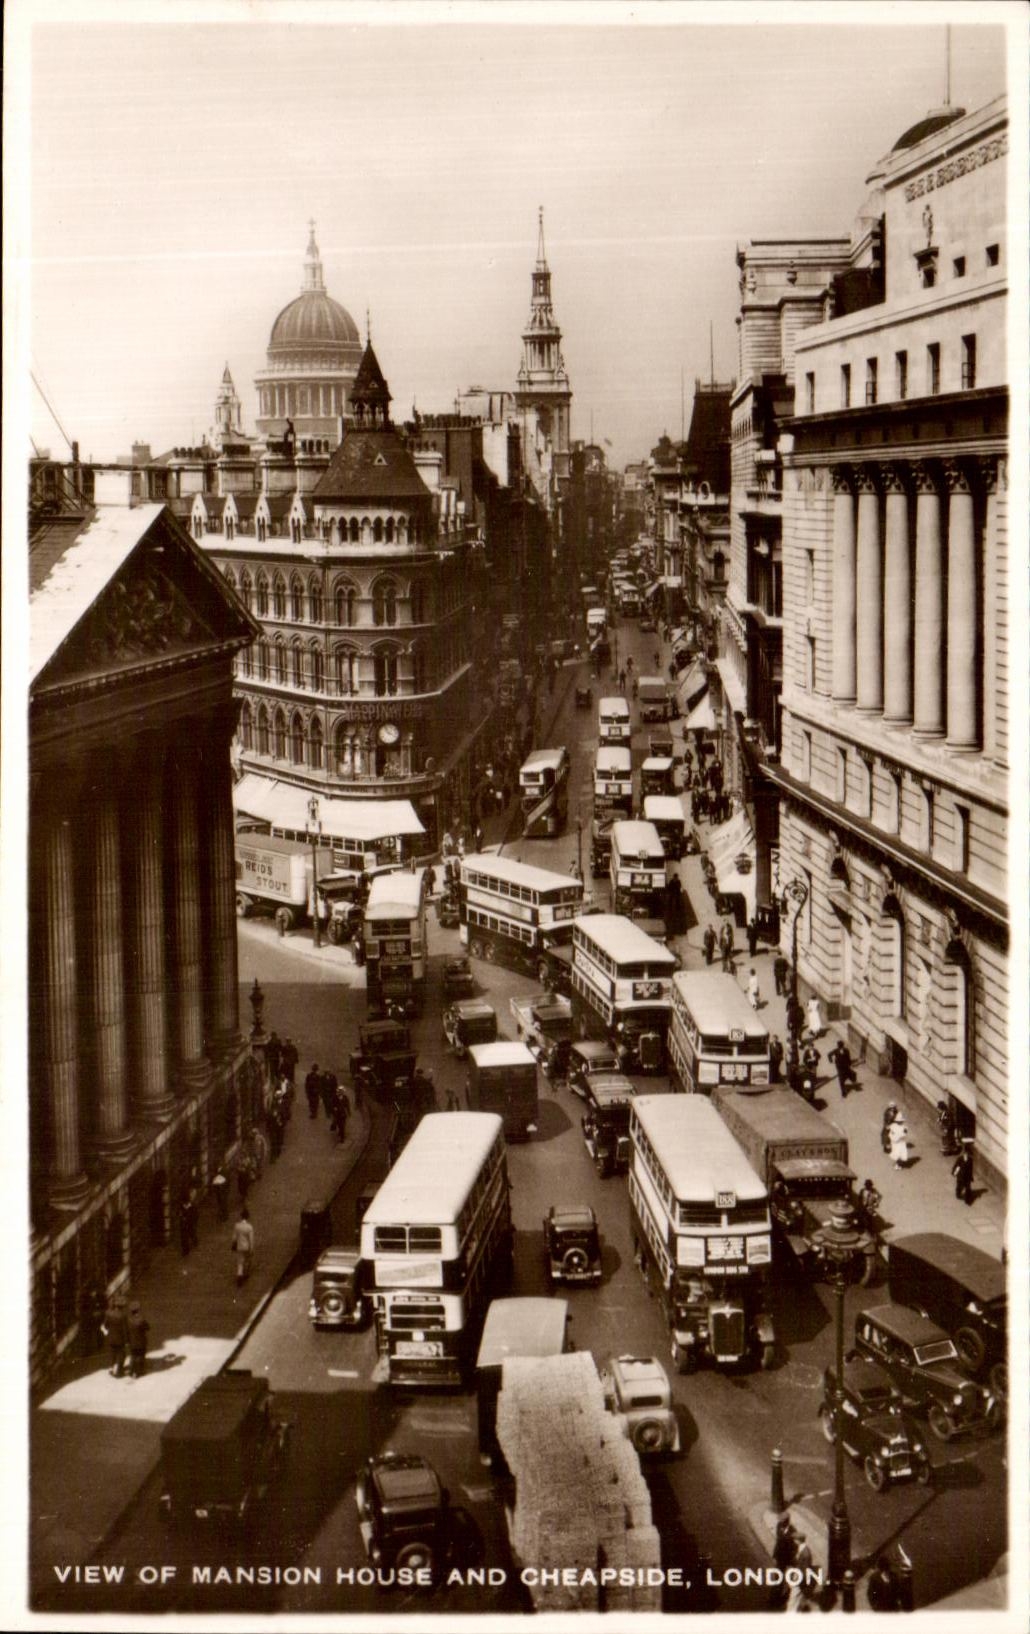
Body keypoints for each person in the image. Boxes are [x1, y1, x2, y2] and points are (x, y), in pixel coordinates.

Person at [103, 1294, 128, 1378]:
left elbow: (105, 1325)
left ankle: (111, 1368)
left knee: (112, 1353)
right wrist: (127, 1341)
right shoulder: (123, 1316)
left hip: (110, 1337)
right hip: (120, 1339)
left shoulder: (108, 1313)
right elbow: (125, 1330)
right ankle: (119, 1371)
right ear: (121, 1306)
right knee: (121, 1354)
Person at [126, 1301, 150, 1380]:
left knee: (133, 1356)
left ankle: (131, 1371)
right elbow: (147, 1328)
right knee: (140, 1356)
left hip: (132, 1341)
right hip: (141, 1341)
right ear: (138, 1310)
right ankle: (139, 1372)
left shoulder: (128, 1320)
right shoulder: (141, 1319)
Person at [232, 1208, 255, 1287]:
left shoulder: (237, 1226)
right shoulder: (249, 1227)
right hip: (247, 1247)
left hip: (240, 1247)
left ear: (241, 1216)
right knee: (248, 1260)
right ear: (248, 1217)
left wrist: (234, 1244)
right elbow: (251, 1239)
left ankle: (239, 1275)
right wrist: (251, 1248)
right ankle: (246, 1274)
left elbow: (234, 1238)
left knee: (240, 1262)